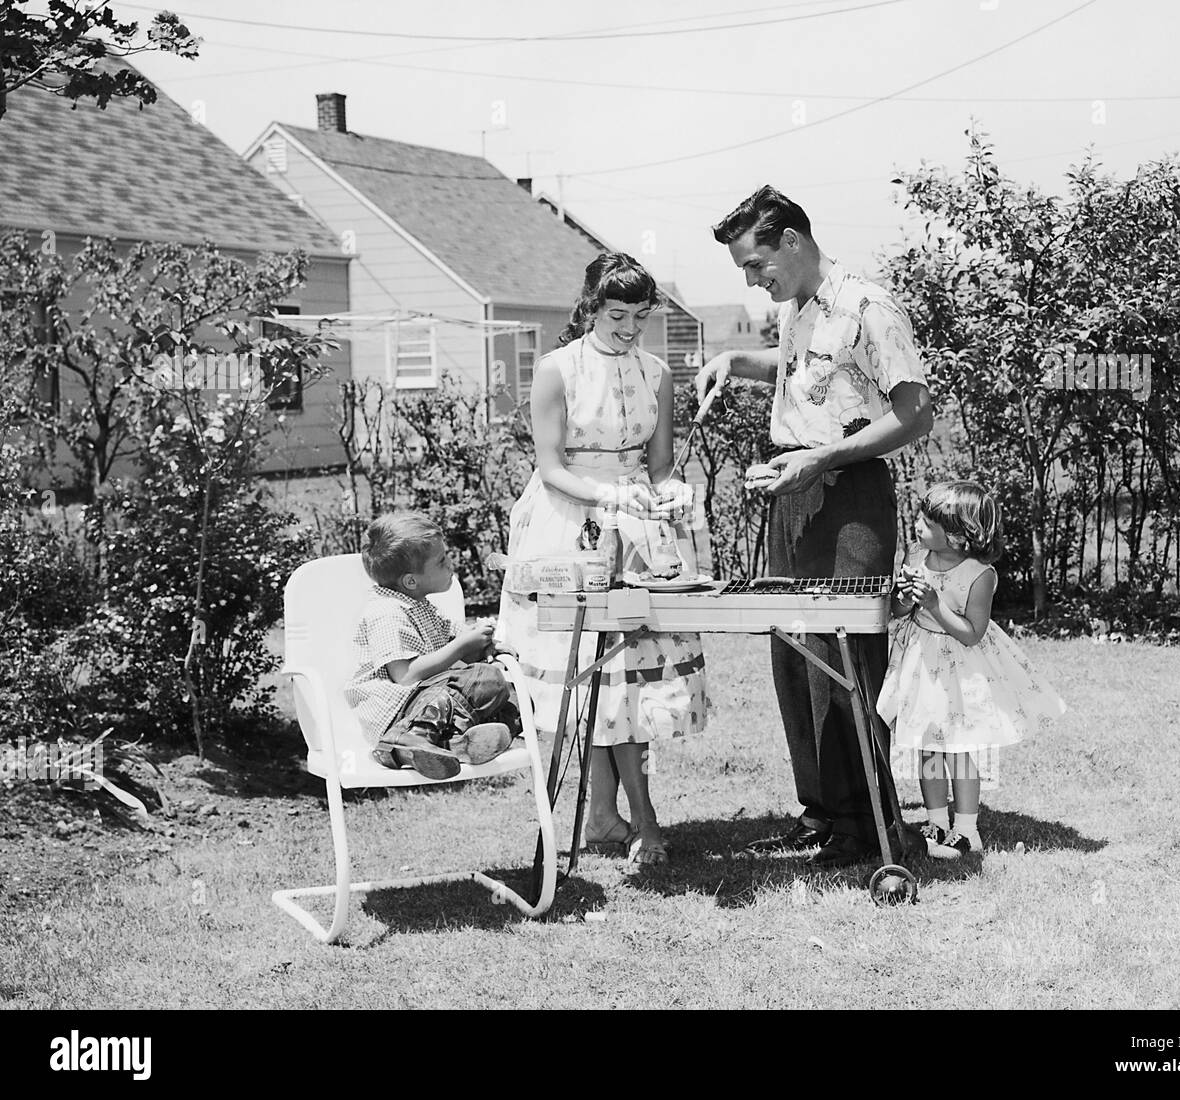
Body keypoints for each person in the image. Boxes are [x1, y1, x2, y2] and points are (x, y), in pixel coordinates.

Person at [697, 185, 933, 867]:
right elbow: (809, 373)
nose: (751, 279)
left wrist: (825, 458)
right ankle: (822, 814)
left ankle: (870, 826)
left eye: (756, 266)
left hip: (848, 491)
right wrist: (736, 363)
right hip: (792, 490)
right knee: (795, 657)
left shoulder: (869, 307)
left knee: (845, 657)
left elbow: (914, 411)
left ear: (792, 243)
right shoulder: (798, 308)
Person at [497, 252, 707, 868]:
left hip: (636, 524)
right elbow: (551, 466)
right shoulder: (557, 369)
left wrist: (672, 490)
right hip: (570, 521)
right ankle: (630, 818)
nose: (629, 330)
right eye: (618, 316)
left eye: (640, 318)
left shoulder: (658, 372)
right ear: (591, 307)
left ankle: (610, 816)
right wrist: (607, 492)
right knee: (590, 673)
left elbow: (661, 463)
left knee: (628, 675)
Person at [878, 481, 1067, 856]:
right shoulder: (916, 556)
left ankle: (966, 829)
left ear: (958, 536)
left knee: (960, 748)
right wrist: (902, 598)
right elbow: (896, 613)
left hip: (960, 670)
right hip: (921, 666)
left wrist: (933, 603)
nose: (917, 525)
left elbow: (972, 633)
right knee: (928, 746)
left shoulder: (980, 575)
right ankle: (935, 823)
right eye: (920, 516)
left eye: (928, 522)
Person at [345, 512, 519, 781]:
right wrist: (463, 647)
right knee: (486, 679)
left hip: (426, 700)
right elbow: (406, 676)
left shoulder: (419, 605)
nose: (451, 564)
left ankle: (450, 746)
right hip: (396, 712)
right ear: (411, 580)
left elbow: (452, 641)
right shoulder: (386, 612)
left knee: (509, 704)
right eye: (441, 561)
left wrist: (484, 643)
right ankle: (411, 737)